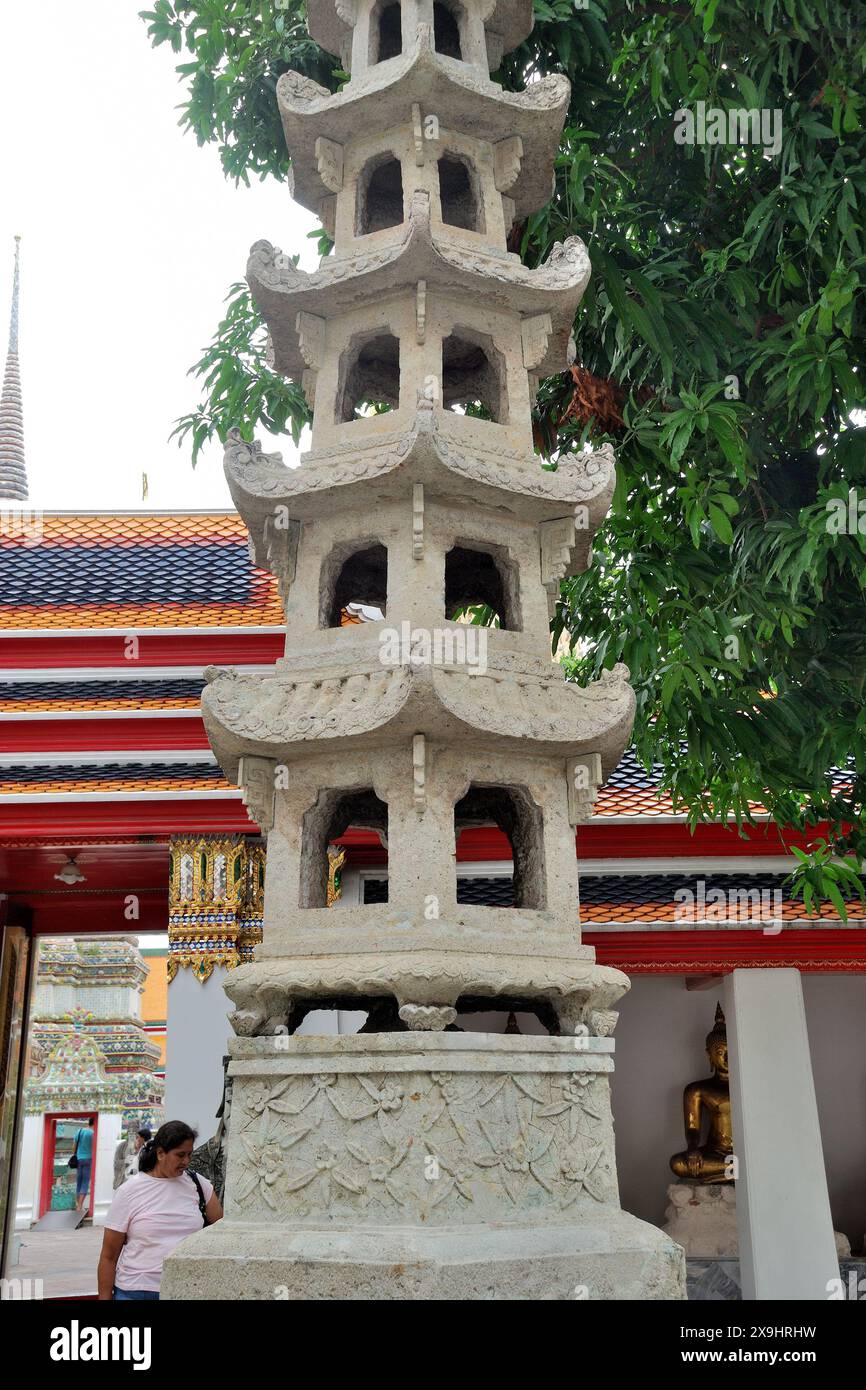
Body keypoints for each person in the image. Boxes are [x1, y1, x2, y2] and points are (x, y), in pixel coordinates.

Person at [97, 1120, 222, 1300]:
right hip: (136, 1290)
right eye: (180, 1155)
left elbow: (220, 1231)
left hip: (187, 1288)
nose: (186, 1161)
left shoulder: (199, 1185)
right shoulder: (129, 1191)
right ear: (161, 1153)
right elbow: (109, 1255)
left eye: (189, 1155)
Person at [72, 1118, 95, 1213]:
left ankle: (78, 1204)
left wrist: (74, 1155)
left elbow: (74, 1145)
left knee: (79, 1181)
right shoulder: (93, 1133)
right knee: (85, 1182)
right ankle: (79, 1206)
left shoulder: (80, 1131)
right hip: (88, 1159)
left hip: (79, 1159)